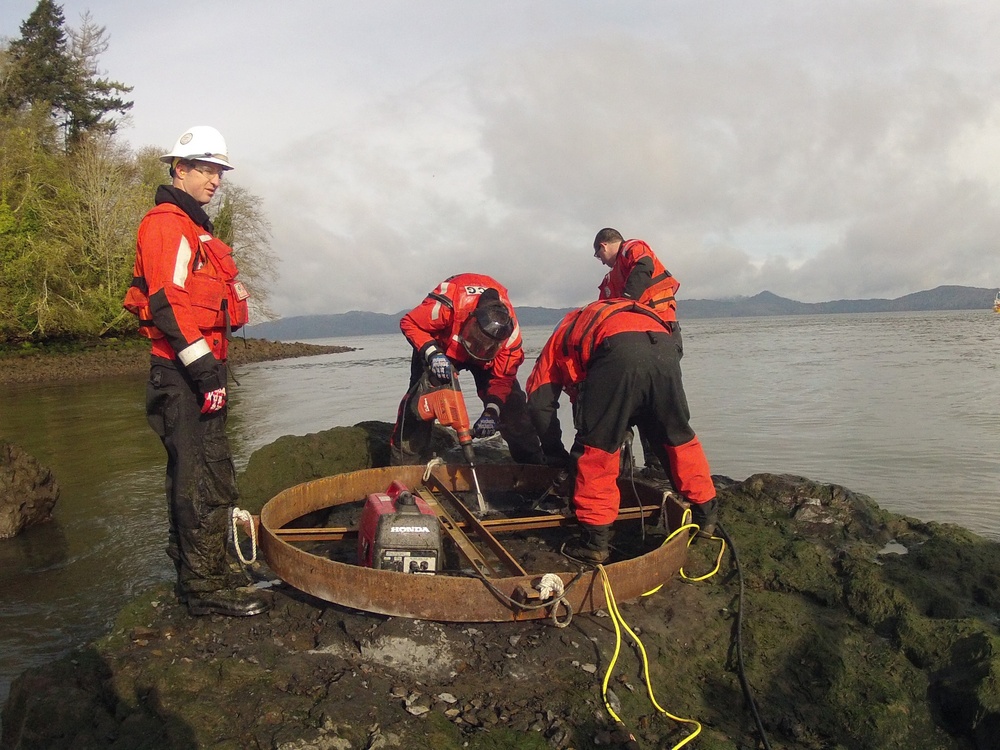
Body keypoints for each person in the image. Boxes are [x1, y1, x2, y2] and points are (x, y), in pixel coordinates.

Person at [123, 125, 269, 617]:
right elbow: (166, 302)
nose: (215, 180)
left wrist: (212, 373)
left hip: (203, 373)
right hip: (183, 376)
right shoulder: (166, 224)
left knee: (214, 471)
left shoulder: (197, 230)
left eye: (219, 171)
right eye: (205, 170)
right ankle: (203, 588)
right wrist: (205, 372)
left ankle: (214, 571)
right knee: (194, 478)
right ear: (179, 170)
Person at [525, 298, 718, 563]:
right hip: (663, 346)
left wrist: (555, 454)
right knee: (677, 437)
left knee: (596, 450)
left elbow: (538, 403)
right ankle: (706, 517)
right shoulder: (598, 319)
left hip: (617, 352)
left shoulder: (560, 339)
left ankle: (595, 543)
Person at [391, 273, 545, 466]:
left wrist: (492, 411)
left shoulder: (510, 341)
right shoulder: (448, 304)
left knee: (513, 409)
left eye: (488, 344)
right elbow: (410, 322)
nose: (479, 348)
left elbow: (502, 380)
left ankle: (533, 466)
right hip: (442, 346)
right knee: (420, 403)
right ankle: (404, 464)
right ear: (470, 320)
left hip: (489, 359)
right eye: (478, 340)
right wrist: (433, 354)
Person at [593, 227, 682, 475]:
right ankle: (638, 464)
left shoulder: (633, 248)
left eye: (599, 256)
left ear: (603, 246)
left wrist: (626, 303)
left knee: (659, 399)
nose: (601, 261)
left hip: (661, 330)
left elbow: (643, 267)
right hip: (636, 338)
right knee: (637, 398)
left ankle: (661, 463)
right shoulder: (610, 281)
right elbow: (601, 312)